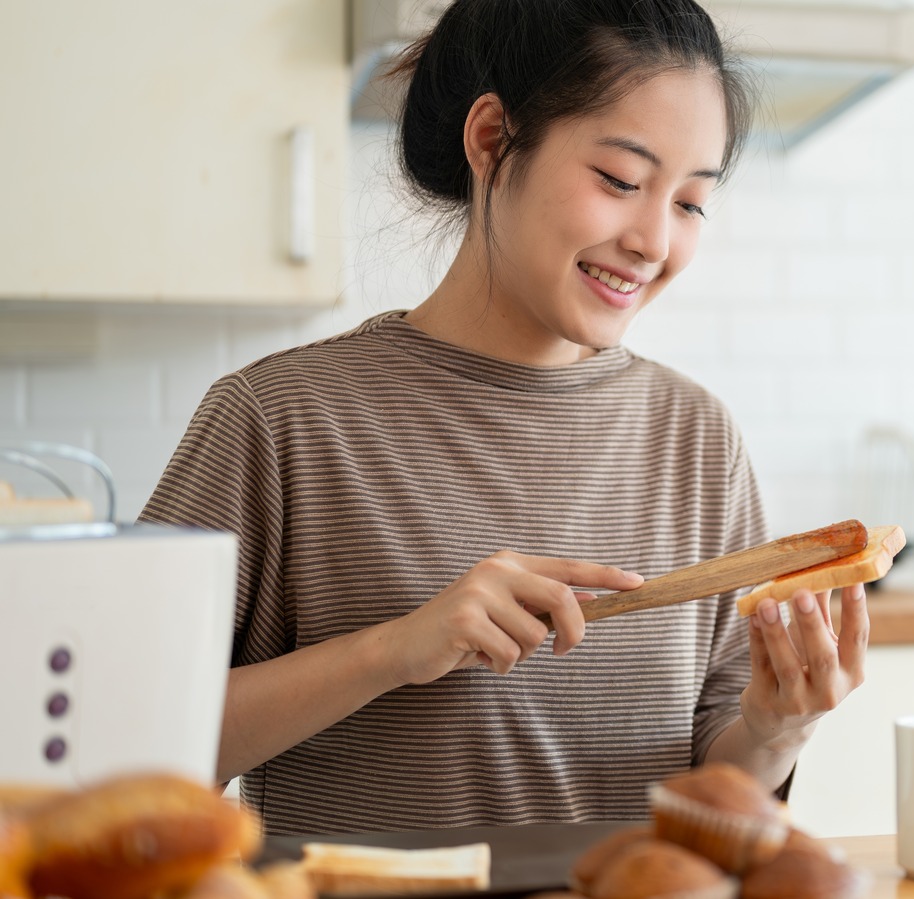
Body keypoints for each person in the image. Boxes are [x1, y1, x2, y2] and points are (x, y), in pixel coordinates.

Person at [139, 0, 868, 835]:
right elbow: (124, 745)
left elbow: (711, 788)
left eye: (690, 203)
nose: (653, 241)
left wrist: (776, 731)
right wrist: (394, 649)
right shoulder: (283, 422)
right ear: (491, 141)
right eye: (622, 181)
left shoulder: (696, 438)